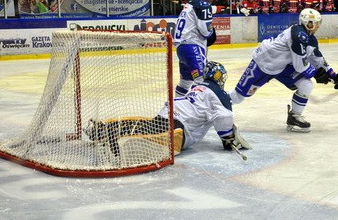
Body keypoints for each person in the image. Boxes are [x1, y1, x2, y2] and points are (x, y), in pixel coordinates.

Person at [85, 61, 251, 156]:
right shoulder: (220, 95)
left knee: (146, 126)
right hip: (180, 129)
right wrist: (229, 139)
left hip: (167, 113)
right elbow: (223, 122)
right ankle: (116, 144)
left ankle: (106, 129)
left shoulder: (197, 86)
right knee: (144, 138)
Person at [228, 8, 338, 132]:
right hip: (263, 63)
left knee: (306, 85)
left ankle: (294, 118)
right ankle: (214, 105)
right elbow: (300, 66)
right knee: (239, 96)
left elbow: (317, 59)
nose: (318, 26)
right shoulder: (298, 35)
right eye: (316, 23)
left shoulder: (310, 38)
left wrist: (334, 75)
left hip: (282, 67)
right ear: (308, 23)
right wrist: (316, 73)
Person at [173, 0, 219, 97]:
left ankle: (177, 108)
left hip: (182, 49)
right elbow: (205, 31)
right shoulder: (203, 5)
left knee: (185, 83)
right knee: (201, 81)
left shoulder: (191, 5)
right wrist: (212, 33)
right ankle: (196, 110)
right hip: (192, 47)